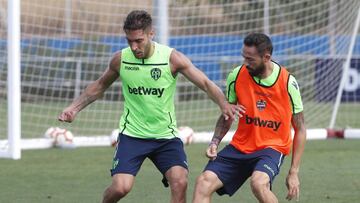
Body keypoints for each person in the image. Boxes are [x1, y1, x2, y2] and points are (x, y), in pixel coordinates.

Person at [58, 10, 242, 203]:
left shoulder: (172, 58)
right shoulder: (121, 59)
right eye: (129, 41)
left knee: (180, 182)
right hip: (132, 136)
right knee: (121, 188)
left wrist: (223, 103)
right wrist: (74, 108)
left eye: (139, 40)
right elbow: (99, 86)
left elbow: (204, 83)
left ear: (151, 34)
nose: (134, 46)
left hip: (166, 137)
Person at [192, 33, 307, 203]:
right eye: (243, 57)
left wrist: (293, 172)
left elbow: (300, 128)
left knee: (258, 183)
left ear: (266, 57)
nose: (245, 63)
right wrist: (214, 142)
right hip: (240, 146)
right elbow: (228, 115)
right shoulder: (236, 76)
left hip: (272, 148)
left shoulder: (287, 82)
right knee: (203, 182)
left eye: (250, 59)